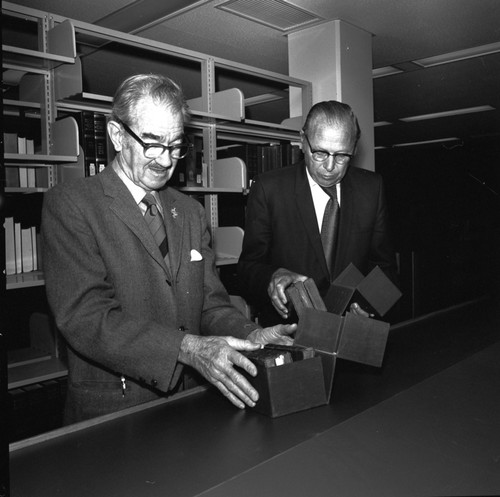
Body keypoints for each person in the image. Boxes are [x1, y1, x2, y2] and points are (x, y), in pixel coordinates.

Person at [41, 73, 295, 424]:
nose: (165, 160)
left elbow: (210, 304)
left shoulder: (190, 212)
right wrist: (187, 349)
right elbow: (86, 317)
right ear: (117, 136)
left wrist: (249, 335)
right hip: (114, 412)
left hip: (191, 402)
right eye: (152, 143)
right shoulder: (71, 205)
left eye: (175, 145)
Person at [238, 100, 398, 326]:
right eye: (320, 153)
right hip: (290, 333)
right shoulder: (269, 188)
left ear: (354, 148)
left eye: (342, 156)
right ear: (303, 141)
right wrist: (272, 278)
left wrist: (370, 305)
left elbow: (386, 268)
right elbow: (247, 270)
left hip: (351, 333)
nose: (330, 167)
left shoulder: (371, 189)